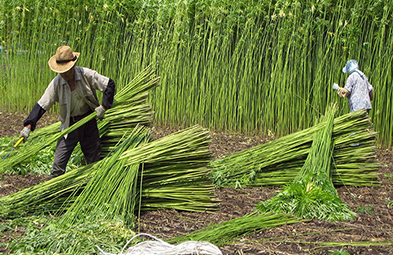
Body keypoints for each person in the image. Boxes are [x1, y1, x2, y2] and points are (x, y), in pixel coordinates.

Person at [19, 45, 115, 178]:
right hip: (69, 126)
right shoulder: (56, 83)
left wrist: (103, 107)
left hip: (88, 123)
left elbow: (109, 84)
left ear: (73, 66)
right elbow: (42, 105)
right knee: (58, 164)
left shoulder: (86, 74)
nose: (63, 74)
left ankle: (90, 188)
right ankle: (55, 192)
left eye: (66, 70)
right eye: (61, 71)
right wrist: (28, 126)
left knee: (93, 161)